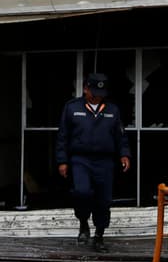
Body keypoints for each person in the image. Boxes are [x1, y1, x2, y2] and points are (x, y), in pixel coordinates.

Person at [55, 71, 131, 251]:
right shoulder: (72, 108)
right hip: (80, 159)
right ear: (86, 89)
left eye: (101, 96)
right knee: (82, 192)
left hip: (104, 161)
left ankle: (99, 235)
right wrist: (62, 161)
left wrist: (124, 154)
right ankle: (83, 222)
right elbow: (62, 137)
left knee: (103, 200)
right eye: (94, 94)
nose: (97, 98)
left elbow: (121, 136)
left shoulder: (112, 110)